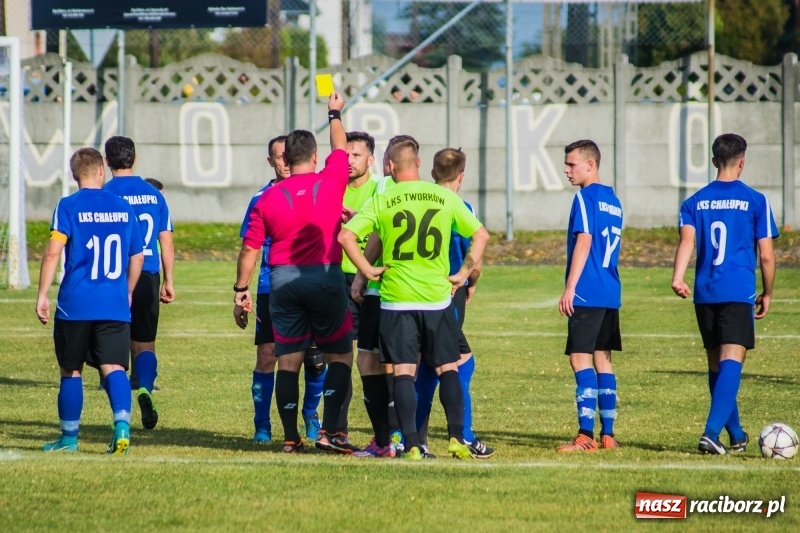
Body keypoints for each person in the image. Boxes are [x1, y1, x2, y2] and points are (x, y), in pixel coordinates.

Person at [340, 135, 490, 460]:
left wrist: (366, 268)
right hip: (436, 299)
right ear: (419, 163)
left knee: (404, 373)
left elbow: (345, 235)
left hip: (397, 300)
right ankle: (455, 438)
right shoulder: (444, 196)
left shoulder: (385, 198)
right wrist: (463, 274)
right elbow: (481, 235)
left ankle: (410, 444)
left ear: (390, 165)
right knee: (448, 367)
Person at [234, 92, 356, 454]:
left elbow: (249, 251)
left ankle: (290, 438)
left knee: (286, 359)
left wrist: (241, 289)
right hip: (324, 275)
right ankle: (331, 431)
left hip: (282, 281)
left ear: (284, 159)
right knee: (339, 356)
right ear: (315, 158)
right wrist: (334, 112)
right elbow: (341, 146)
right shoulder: (331, 180)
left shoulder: (266, 198)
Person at [672, 133, 778, 455]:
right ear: (742, 161)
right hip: (737, 290)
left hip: (705, 291)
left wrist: (678, 276)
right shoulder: (756, 200)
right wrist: (768, 292)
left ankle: (736, 433)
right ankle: (710, 432)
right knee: (732, 358)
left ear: (714, 160)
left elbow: (687, 242)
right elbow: (767, 255)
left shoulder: (693, 202)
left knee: (716, 364)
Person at [36, 147, 144, 455]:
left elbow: (54, 250)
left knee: (71, 370)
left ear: (74, 175)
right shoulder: (123, 207)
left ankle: (69, 439)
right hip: (114, 302)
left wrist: (43, 294)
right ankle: (122, 426)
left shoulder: (68, 205)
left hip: (75, 305)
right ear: (101, 171)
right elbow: (137, 255)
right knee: (114, 368)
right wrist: (128, 290)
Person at [239, 135, 326, 443]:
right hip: (270, 287)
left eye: (287, 157)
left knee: (315, 358)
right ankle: (262, 425)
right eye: (279, 158)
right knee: (268, 355)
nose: (285, 163)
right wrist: (242, 290)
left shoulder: (316, 191)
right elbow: (249, 247)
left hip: (312, 282)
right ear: (272, 161)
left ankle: (310, 415)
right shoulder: (261, 198)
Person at [414, 148, 495, 459]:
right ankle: (462, 436)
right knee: (450, 364)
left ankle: (417, 438)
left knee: (431, 363)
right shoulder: (461, 206)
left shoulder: (420, 200)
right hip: (448, 291)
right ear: (461, 176)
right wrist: (469, 281)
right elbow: (474, 256)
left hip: (417, 290)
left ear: (433, 173)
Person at [104, 136, 175, 430]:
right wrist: (169, 279)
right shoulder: (154, 194)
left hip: (114, 274)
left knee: (111, 344)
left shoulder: (105, 193)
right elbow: (166, 241)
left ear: (107, 162)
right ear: (135, 158)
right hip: (148, 273)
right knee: (145, 342)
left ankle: (121, 411)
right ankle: (145, 386)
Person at [557, 139, 623, 453]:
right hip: (610, 289)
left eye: (572, 164)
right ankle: (608, 434)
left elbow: (585, 240)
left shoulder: (585, 197)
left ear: (590, 165)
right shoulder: (614, 200)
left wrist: (570, 287)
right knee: (603, 360)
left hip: (588, 290)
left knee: (579, 358)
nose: (567, 170)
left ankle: (586, 436)